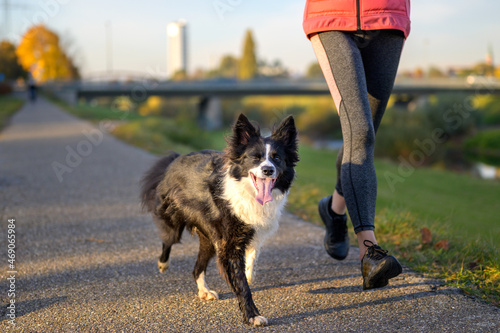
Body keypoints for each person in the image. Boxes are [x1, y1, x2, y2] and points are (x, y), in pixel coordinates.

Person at [303, 0, 411, 289]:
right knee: (360, 131)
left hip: (389, 17)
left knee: (364, 135)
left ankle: (335, 209)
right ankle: (369, 252)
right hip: (332, 17)